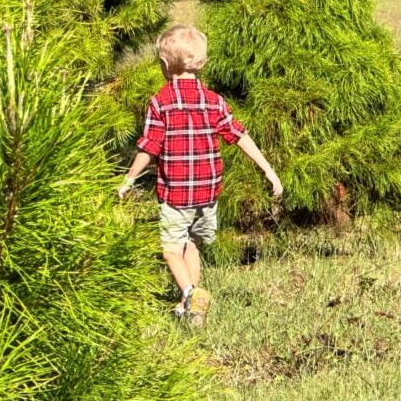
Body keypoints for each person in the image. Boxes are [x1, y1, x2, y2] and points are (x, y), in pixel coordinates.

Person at [118, 24, 282, 325]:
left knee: (170, 250)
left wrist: (129, 178)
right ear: (203, 63)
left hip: (176, 194)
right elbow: (239, 135)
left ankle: (192, 292)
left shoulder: (161, 102)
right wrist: (268, 169)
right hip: (207, 193)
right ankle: (192, 310)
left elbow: (150, 147)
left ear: (165, 65)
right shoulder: (214, 101)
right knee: (191, 245)